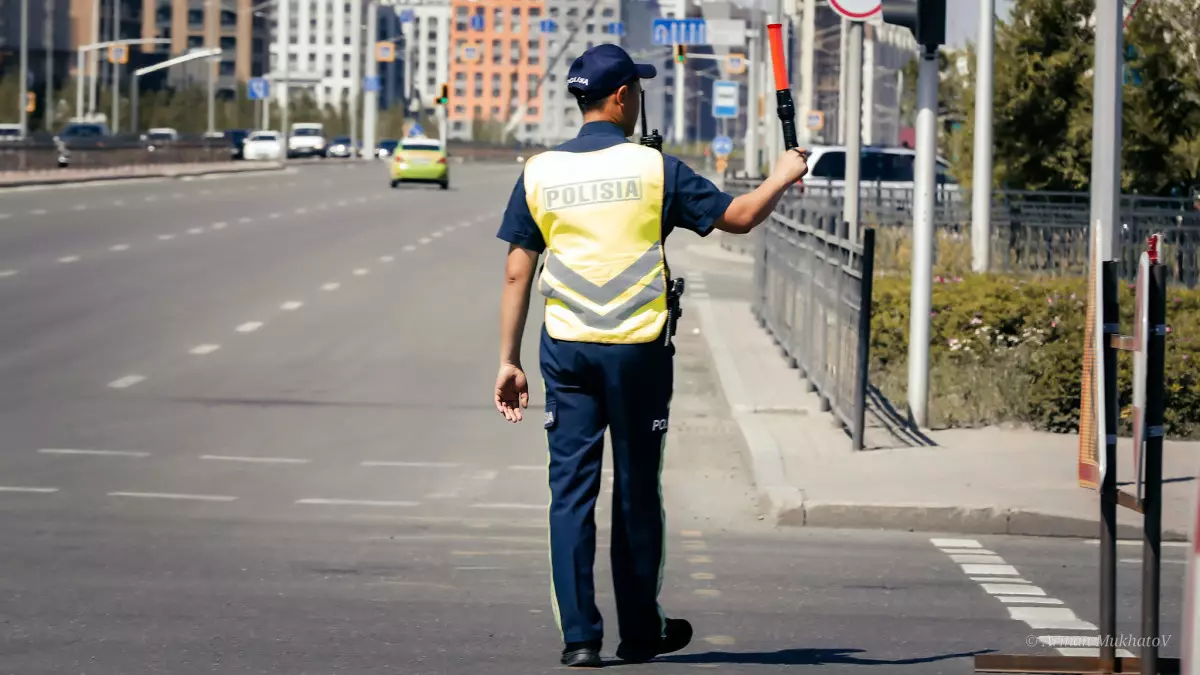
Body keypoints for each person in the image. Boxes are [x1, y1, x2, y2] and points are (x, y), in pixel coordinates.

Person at [493, 43, 809, 668]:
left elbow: (515, 270)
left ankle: (580, 638)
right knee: (638, 491)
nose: (638, 98)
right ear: (620, 98)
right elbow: (739, 218)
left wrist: (508, 360)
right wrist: (782, 174)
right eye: (635, 89)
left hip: (567, 353)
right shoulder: (653, 169)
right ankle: (641, 632)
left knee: (570, 496)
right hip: (638, 352)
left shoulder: (540, 172)